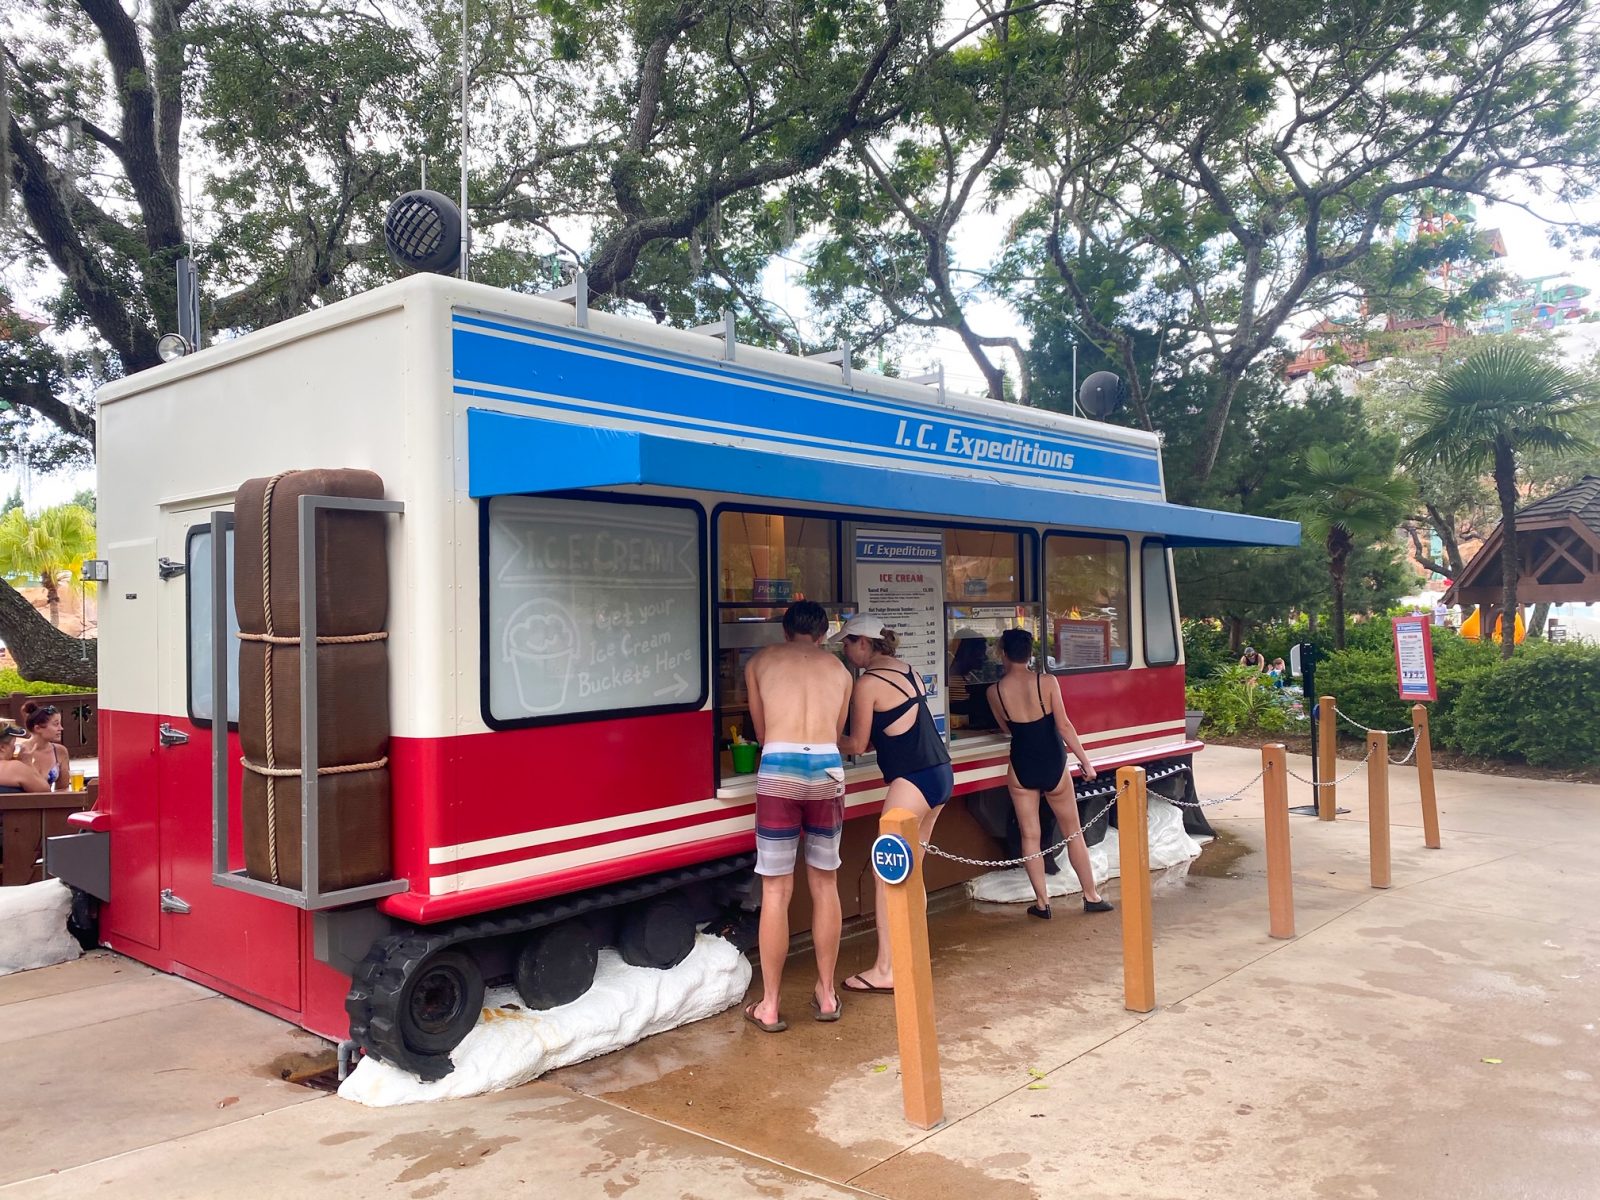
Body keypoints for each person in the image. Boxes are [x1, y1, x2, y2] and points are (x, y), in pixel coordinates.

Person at [742, 600, 854, 1032]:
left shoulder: (761, 662)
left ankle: (770, 1005)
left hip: (780, 764)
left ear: (785, 631)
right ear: (823, 634)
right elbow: (837, 732)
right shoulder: (841, 672)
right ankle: (826, 994)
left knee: (776, 890)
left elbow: (761, 731)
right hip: (826, 766)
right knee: (825, 882)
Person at [835, 615, 954, 996]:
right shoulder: (909, 671)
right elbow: (889, 731)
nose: (845, 651)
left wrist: (818, 734)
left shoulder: (866, 684)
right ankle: (912, 953)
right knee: (911, 869)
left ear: (866, 644)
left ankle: (887, 968)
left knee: (885, 872)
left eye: (848, 644)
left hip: (911, 779)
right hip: (940, 773)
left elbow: (857, 744)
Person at [986, 630, 1111, 918]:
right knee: (1073, 832)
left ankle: (1042, 904)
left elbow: (1007, 729)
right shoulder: (1047, 682)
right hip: (1053, 761)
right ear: (1030, 654)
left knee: (1030, 835)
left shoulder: (994, 692)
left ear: (1003, 653)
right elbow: (1065, 726)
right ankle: (1091, 897)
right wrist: (1086, 763)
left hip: (1021, 762)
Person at [947, 627, 1001, 731]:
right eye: (980, 653)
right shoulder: (951, 680)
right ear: (967, 653)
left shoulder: (971, 676)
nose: (985, 657)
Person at [15, 701, 69, 791]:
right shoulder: (18, 751)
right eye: (56, 724)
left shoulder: (60, 751)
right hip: (22, 802)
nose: (61, 728)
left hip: (49, 802)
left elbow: (63, 788)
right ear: (38, 728)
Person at [0, 724, 49, 793]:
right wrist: (28, 763)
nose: (14, 748)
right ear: (2, 748)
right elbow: (45, 792)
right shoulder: (15, 768)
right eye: (13, 744)